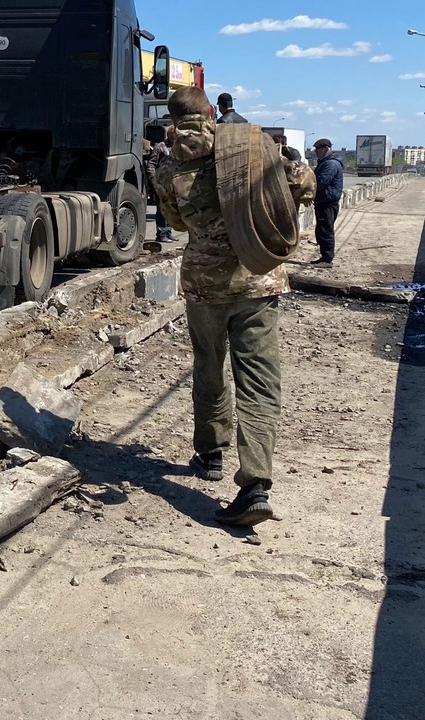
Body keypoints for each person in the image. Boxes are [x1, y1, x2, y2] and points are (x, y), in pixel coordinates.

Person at [154, 86, 314, 526]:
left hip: (205, 285)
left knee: (208, 366)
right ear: (210, 112)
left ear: (172, 119)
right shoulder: (251, 144)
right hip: (257, 280)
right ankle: (256, 486)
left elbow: (174, 222)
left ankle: (210, 455)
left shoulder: (168, 165)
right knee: (259, 380)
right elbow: (304, 187)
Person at [311, 138, 343, 266]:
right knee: (321, 230)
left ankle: (327, 259)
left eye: (318, 148)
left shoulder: (330, 164)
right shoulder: (325, 162)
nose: (315, 151)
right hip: (324, 201)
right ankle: (324, 257)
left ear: (326, 149)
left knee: (325, 231)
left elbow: (320, 183)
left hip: (327, 203)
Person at [143, 124, 174, 242]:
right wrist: (153, 180)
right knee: (162, 209)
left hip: (172, 184)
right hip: (161, 183)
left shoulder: (177, 146)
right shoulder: (160, 146)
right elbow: (151, 165)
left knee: (171, 208)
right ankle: (161, 234)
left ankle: (168, 231)